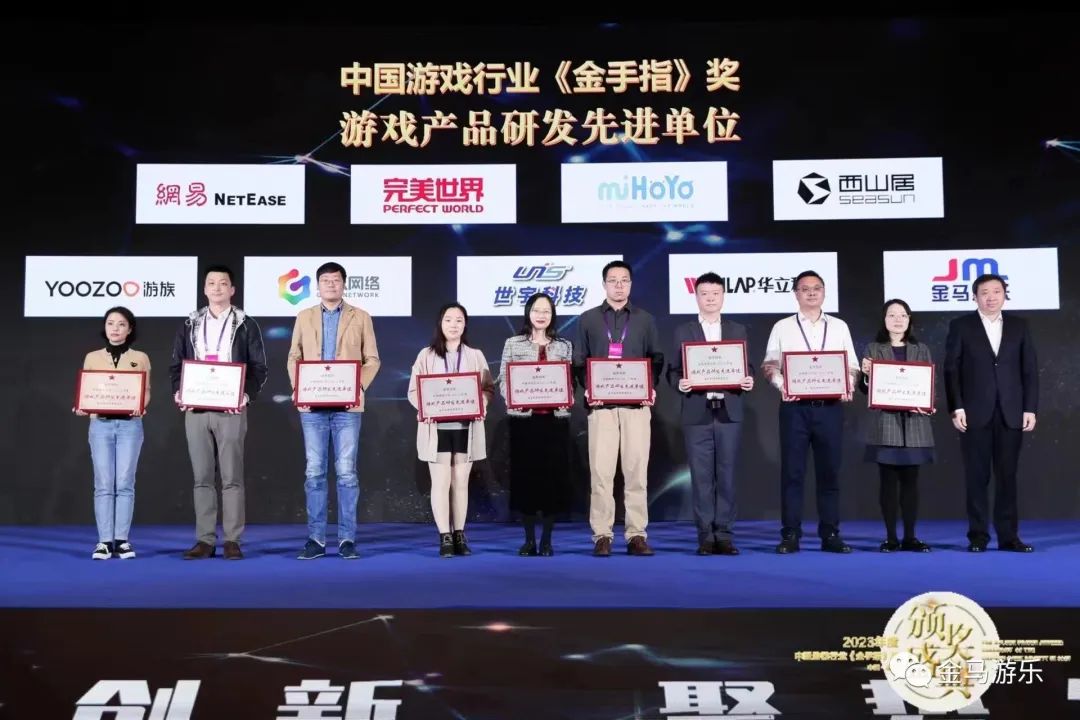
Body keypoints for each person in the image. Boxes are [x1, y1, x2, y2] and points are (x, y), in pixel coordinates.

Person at [169, 265, 268, 560]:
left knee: (231, 477)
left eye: (223, 283)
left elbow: (259, 367)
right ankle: (205, 540)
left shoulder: (246, 324)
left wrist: (244, 395)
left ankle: (232, 540)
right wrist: (179, 392)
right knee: (201, 477)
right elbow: (176, 365)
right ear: (204, 289)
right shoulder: (190, 323)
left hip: (231, 408)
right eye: (211, 283)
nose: (216, 288)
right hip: (197, 408)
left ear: (232, 290)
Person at [287, 262, 381, 560]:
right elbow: (294, 356)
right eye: (325, 280)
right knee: (314, 472)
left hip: (348, 407)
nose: (331, 284)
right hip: (312, 406)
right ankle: (315, 539)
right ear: (317, 286)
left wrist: (357, 387)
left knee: (347, 473)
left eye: (336, 280)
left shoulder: (360, 316)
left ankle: (346, 539)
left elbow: (372, 359)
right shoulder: (304, 317)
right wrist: (299, 387)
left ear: (344, 284)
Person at [761, 270, 859, 554]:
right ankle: (790, 534)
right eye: (805, 289)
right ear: (796, 294)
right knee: (793, 473)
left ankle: (830, 533)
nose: (811, 293)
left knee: (830, 473)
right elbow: (770, 365)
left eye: (817, 288)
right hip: (795, 409)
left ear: (824, 292)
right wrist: (784, 386)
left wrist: (848, 385)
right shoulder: (782, 327)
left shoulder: (839, 326)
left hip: (830, 409)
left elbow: (852, 365)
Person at [573, 260, 664, 557]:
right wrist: (589, 388)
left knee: (636, 472)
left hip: (636, 407)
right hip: (601, 408)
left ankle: (636, 534)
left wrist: (650, 386)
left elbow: (656, 358)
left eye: (624, 280)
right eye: (613, 280)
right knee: (601, 474)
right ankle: (602, 534)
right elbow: (579, 360)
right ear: (604, 284)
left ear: (631, 284)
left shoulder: (645, 319)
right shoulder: (587, 319)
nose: (619, 285)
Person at [945, 273, 1038, 553]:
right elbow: (951, 370)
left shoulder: (1019, 326)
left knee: (1007, 476)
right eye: (984, 292)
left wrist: (1030, 408)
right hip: (974, 413)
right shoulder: (961, 326)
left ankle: (1009, 537)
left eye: (997, 291)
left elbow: (1029, 370)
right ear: (975, 297)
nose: (991, 297)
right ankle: (978, 536)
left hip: (1012, 412)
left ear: (1004, 294)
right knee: (977, 477)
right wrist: (956, 407)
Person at [667, 273, 754, 556]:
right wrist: (680, 383)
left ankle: (725, 535)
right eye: (704, 294)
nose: (710, 299)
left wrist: (748, 378)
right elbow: (673, 371)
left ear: (723, 296)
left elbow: (747, 366)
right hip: (697, 411)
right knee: (701, 477)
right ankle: (705, 535)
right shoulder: (683, 331)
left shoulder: (737, 329)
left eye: (715, 293)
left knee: (727, 475)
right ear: (696, 297)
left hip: (729, 411)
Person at [407, 303, 495, 557]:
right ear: (440, 323)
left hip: (466, 427)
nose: (453, 325)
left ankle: (459, 534)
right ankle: (444, 536)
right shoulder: (425, 355)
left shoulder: (475, 355)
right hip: (437, 429)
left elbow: (488, 388)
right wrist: (425, 406)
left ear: (465, 325)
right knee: (440, 482)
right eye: (448, 319)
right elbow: (413, 391)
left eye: (459, 320)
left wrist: (482, 402)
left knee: (461, 483)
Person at [497, 293, 573, 557]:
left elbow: (569, 380)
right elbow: (504, 379)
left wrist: (567, 395)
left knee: (552, 481)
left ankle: (547, 541)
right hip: (524, 421)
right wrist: (513, 398)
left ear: (553, 315)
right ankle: (529, 540)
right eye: (537, 310)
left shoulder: (564, 345)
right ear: (528, 313)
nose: (541, 315)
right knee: (526, 479)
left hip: (555, 421)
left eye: (546, 311)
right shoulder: (513, 343)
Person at [858, 299, 935, 553]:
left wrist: (928, 403)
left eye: (903, 315)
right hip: (886, 423)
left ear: (910, 319)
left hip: (915, 424)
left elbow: (928, 384)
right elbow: (864, 390)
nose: (898, 319)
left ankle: (910, 537)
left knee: (911, 483)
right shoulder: (873, 348)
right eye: (892, 315)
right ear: (884, 320)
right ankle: (891, 538)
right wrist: (866, 375)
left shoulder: (921, 349)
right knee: (888, 483)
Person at [76, 306, 151, 560]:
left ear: (129, 329)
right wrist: (83, 406)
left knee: (125, 483)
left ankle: (122, 540)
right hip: (100, 425)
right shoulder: (92, 357)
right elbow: (87, 390)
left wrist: (141, 405)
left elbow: (146, 390)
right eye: (110, 323)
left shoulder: (140, 357)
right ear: (105, 327)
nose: (115, 328)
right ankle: (104, 542)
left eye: (121, 324)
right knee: (104, 484)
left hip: (130, 425)